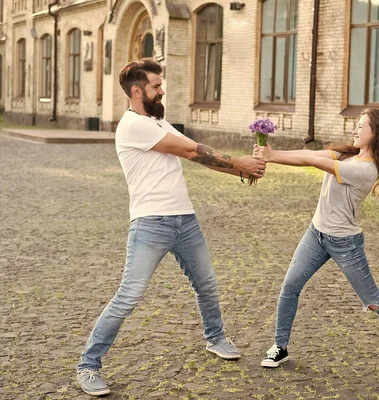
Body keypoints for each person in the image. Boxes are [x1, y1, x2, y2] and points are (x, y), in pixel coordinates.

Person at [76, 60, 267, 396]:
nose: (162, 90)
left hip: (185, 220)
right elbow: (193, 151)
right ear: (137, 91)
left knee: (206, 284)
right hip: (151, 223)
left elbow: (200, 154)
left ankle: (216, 338)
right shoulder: (134, 126)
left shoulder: (157, 120)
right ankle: (88, 365)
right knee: (129, 296)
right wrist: (242, 163)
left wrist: (242, 171)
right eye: (155, 86)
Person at [253, 108, 379, 375]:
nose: (355, 130)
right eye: (356, 125)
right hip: (316, 234)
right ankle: (280, 346)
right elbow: (310, 156)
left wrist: (272, 155)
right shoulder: (348, 154)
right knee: (290, 286)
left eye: (362, 126)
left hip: (345, 243)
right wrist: (272, 155)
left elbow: (315, 162)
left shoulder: (365, 170)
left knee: (374, 301)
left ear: (377, 132)